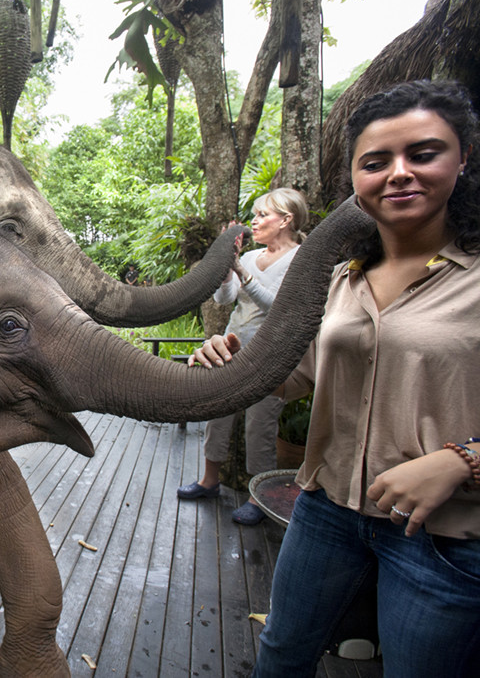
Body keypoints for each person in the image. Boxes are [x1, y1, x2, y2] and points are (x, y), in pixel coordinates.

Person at [193, 80, 480, 677]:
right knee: (281, 654)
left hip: (444, 535)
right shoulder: (343, 279)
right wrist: (235, 359)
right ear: (356, 179)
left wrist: (462, 460)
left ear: (463, 159)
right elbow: (297, 377)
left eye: (423, 154)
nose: (399, 173)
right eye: (376, 163)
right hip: (327, 509)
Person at [177, 188, 308, 526]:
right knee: (217, 415)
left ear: (286, 220)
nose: (255, 221)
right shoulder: (249, 258)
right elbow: (225, 300)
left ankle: (256, 496)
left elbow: (280, 307)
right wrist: (226, 271)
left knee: (260, 426)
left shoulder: (300, 259)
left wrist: (241, 271)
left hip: (269, 358)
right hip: (232, 349)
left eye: (263, 214)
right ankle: (209, 480)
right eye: (255, 215)